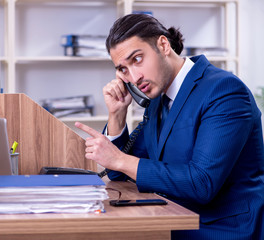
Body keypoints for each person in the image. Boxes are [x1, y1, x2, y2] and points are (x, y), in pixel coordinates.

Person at [75, 13, 264, 239]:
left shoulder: (224, 90)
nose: (134, 77)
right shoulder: (159, 99)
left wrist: (119, 159)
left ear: (163, 45)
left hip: (221, 229)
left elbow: (201, 183)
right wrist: (117, 113)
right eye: (123, 69)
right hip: (174, 219)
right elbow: (121, 172)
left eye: (137, 59)